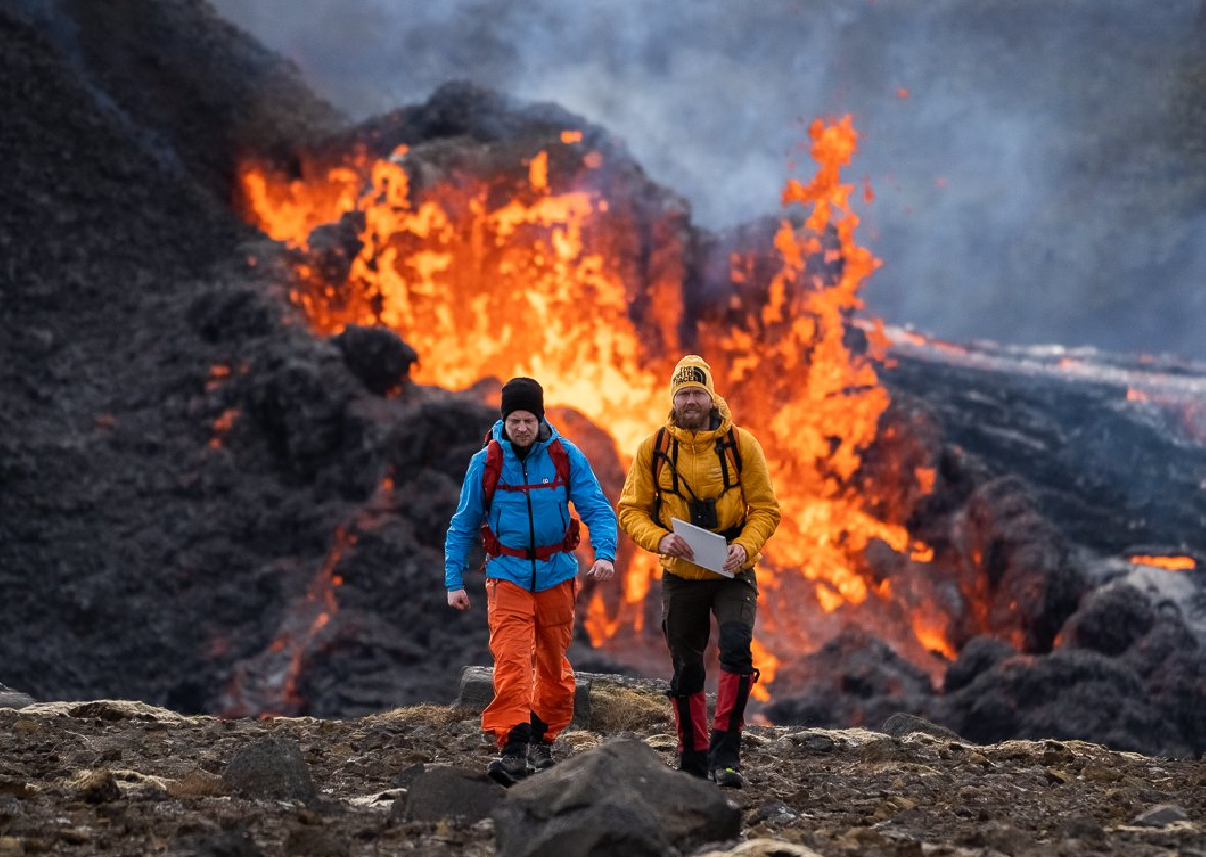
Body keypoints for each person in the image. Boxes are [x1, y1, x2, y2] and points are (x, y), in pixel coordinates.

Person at [444, 377, 617, 786]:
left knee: (553, 666)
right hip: (507, 575)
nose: (521, 428)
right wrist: (454, 581)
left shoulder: (564, 456)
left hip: (557, 575)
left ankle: (543, 737)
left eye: (529, 420)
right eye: (514, 420)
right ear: (504, 420)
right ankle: (513, 747)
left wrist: (605, 554)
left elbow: (597, 507)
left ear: (541, 419)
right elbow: (462, 525)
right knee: (512, 659)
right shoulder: (486, 462)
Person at [618, 355, 781, 788]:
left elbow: (766, 508)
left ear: (711, 396)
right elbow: (631, 511)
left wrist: (745, 547)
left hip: (733, 568)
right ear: (674, 399)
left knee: (736, 649)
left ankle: (727, 758)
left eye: (698, 392)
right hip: (681, 573)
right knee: (687, 667)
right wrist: (660, 540)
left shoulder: (741, 445)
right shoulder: (653, 449)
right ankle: (693, 760)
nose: (691, 401)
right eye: (684, 393)